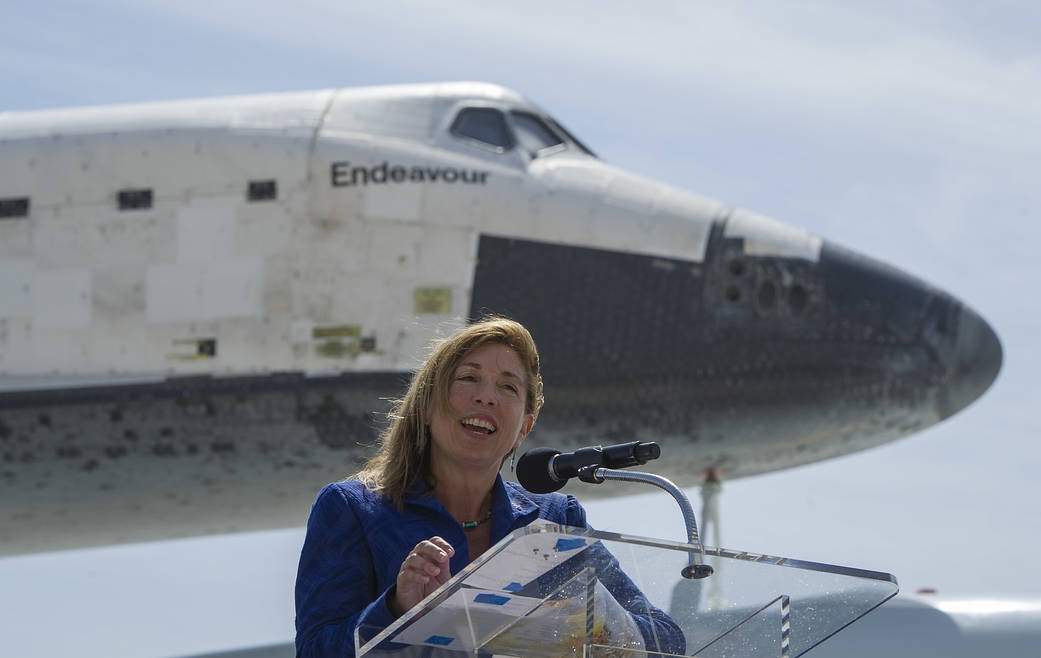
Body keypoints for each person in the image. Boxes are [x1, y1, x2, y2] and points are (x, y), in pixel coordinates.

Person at [294, 317, 683, 657]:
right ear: (427, 408)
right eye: (468, 378)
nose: (486, 396)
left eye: (508, 387)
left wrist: (577, 628)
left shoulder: (554, 519)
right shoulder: (352, 510)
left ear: (523, 429)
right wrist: (396, 610)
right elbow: (315, 651)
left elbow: (666, 639)